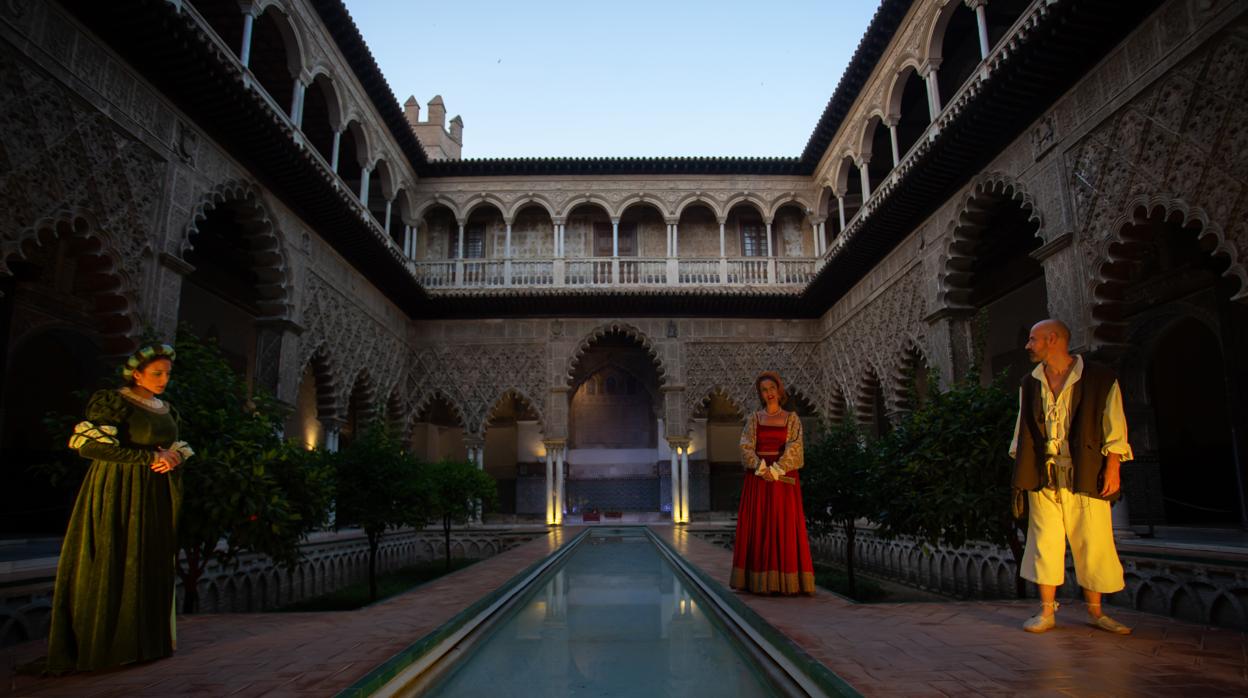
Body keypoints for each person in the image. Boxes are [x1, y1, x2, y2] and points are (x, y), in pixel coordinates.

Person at [47, 344, 193, 672]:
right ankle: (107, 644)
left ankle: (142, 642)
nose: (163, 379)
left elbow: (176, 445)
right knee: (116, 558)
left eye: (167, 373)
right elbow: (90, 446)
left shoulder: (165, 408)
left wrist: (174, 457)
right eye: (156, 373)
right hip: (118, 489)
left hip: (153, 493)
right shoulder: (114, 402)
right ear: (136, 373)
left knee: (146, 559)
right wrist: (148, 458)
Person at [1010, 319, 1132, 634]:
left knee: (1094, 541)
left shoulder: (1100, 379)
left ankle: (1096, 611)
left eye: (1033, 339)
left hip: (1086, 472)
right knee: (1043, 542)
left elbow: (1114, 423)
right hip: (1044, 475)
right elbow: (1021, 431)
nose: (1028, 345)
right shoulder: (1030, 382)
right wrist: (1023, 471)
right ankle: (1047, 612)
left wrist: (1113, 467)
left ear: (1053, 339)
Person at [730, 371, 816, 595]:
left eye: (771, 388)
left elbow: (795, 448)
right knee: (760, 525)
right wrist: (761, 468)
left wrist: (776, 470)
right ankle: (758, 582)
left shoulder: (792, 419)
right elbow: (745, 446)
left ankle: (787, 582)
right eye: (764, 390)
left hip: (783, 480)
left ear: (779, 389)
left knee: (783, 523)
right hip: (758, 480)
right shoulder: (754, 419)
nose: (768, 393)